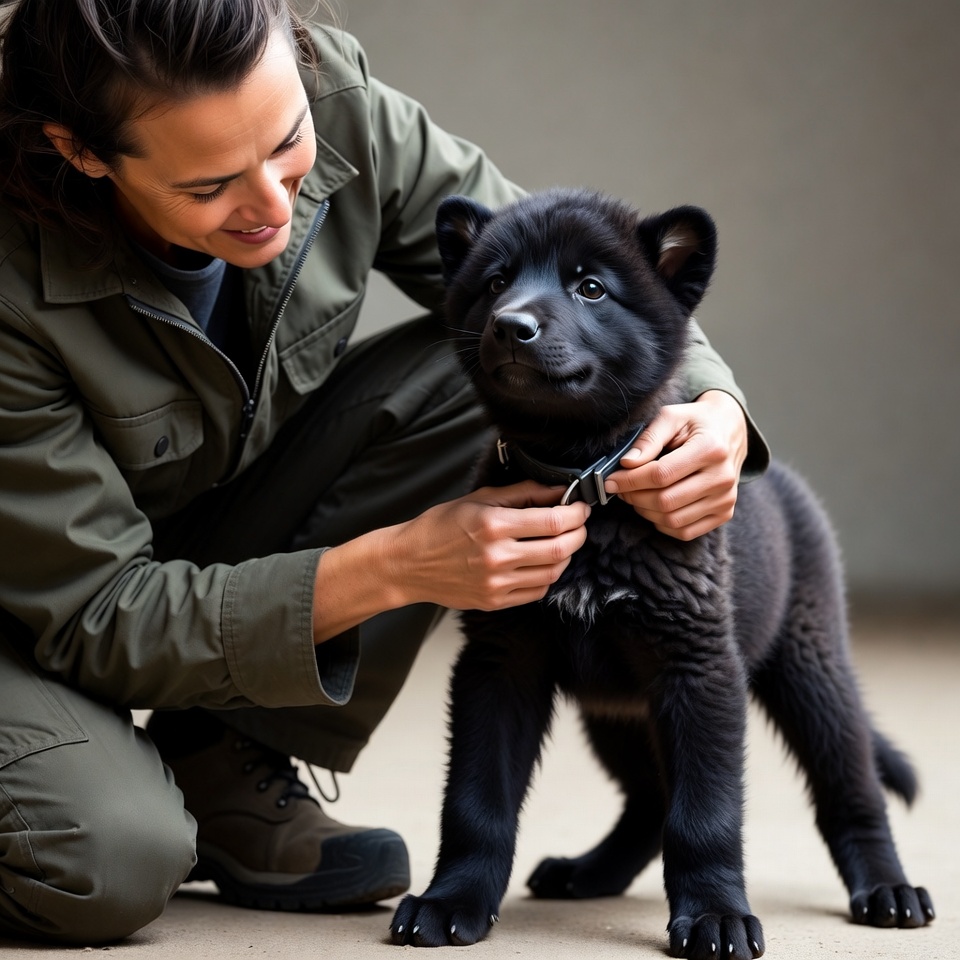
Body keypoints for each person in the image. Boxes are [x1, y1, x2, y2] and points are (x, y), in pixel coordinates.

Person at [0, 0, 769, 945]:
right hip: (37, 605)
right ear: (80, 152)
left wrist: (713, 410)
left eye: (287, 144)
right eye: (209, 188)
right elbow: (89, 610)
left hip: (188, 527)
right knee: (106, 862)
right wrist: (397, 566)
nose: (276, 205)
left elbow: (574, 264)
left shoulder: (340, 104)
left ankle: (227, 751)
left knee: (491, 361)